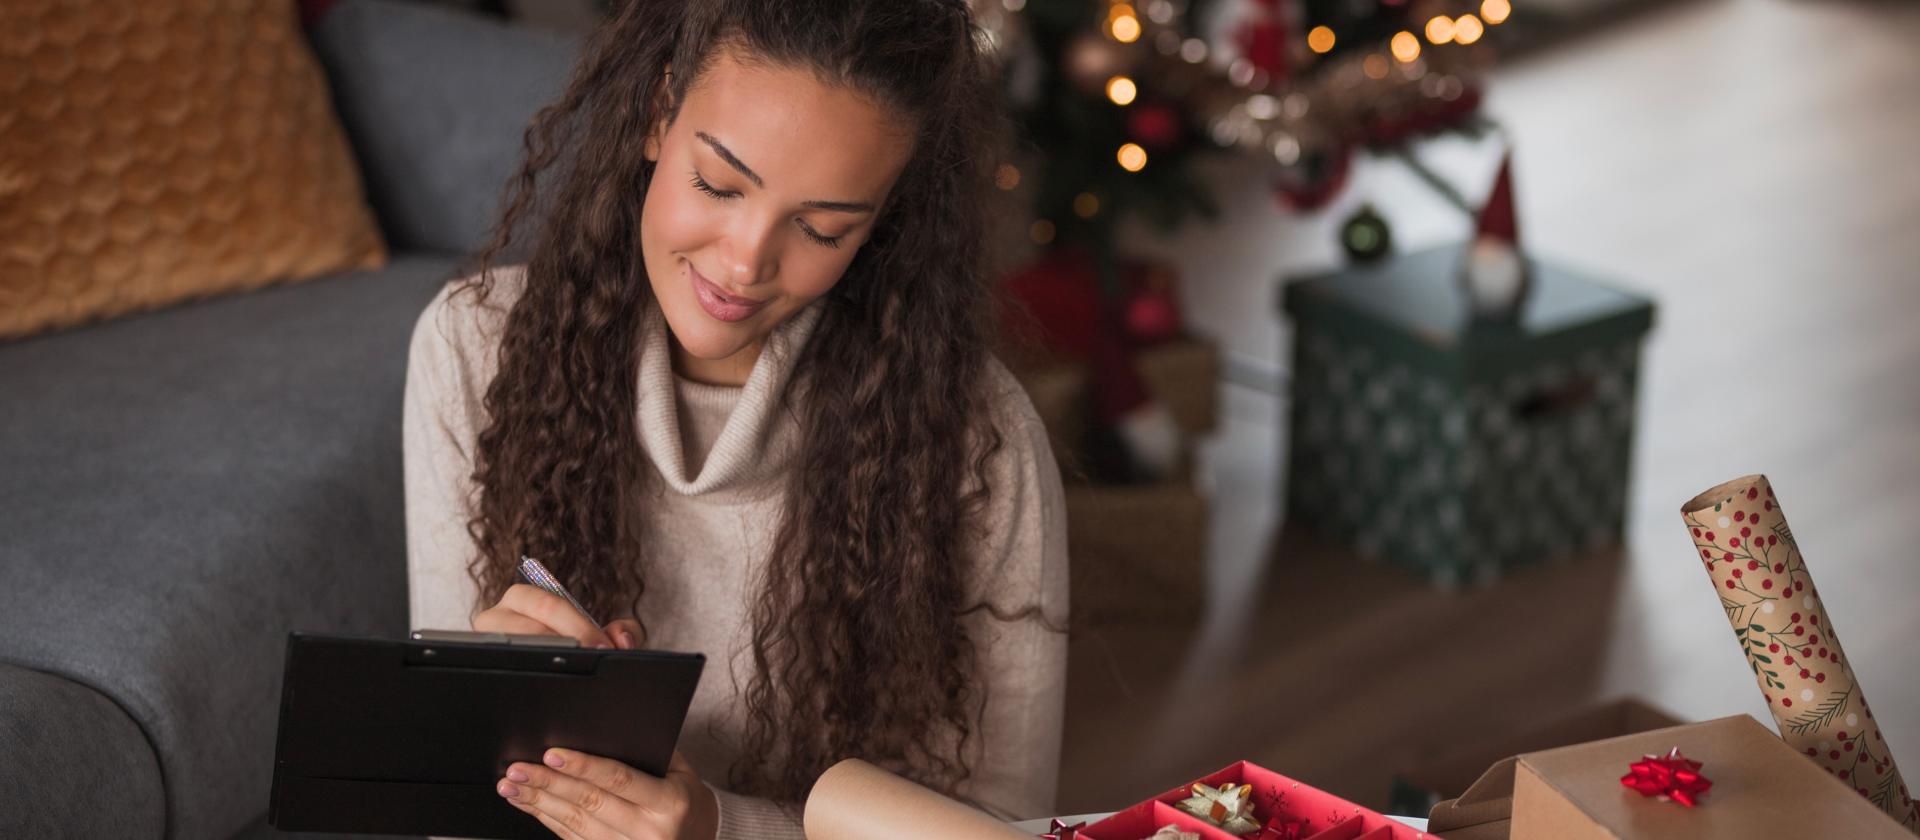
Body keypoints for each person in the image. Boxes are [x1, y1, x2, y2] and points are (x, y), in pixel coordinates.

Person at [400, 1, 1069, 838]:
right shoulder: (473, 346)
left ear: (883, 222)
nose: (746, 262)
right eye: (718, 184)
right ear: (657, 113)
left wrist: (719, 827)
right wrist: (493, 716)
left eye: (823, 228)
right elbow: (435, 801)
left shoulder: (974, 440)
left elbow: (1002, 827)